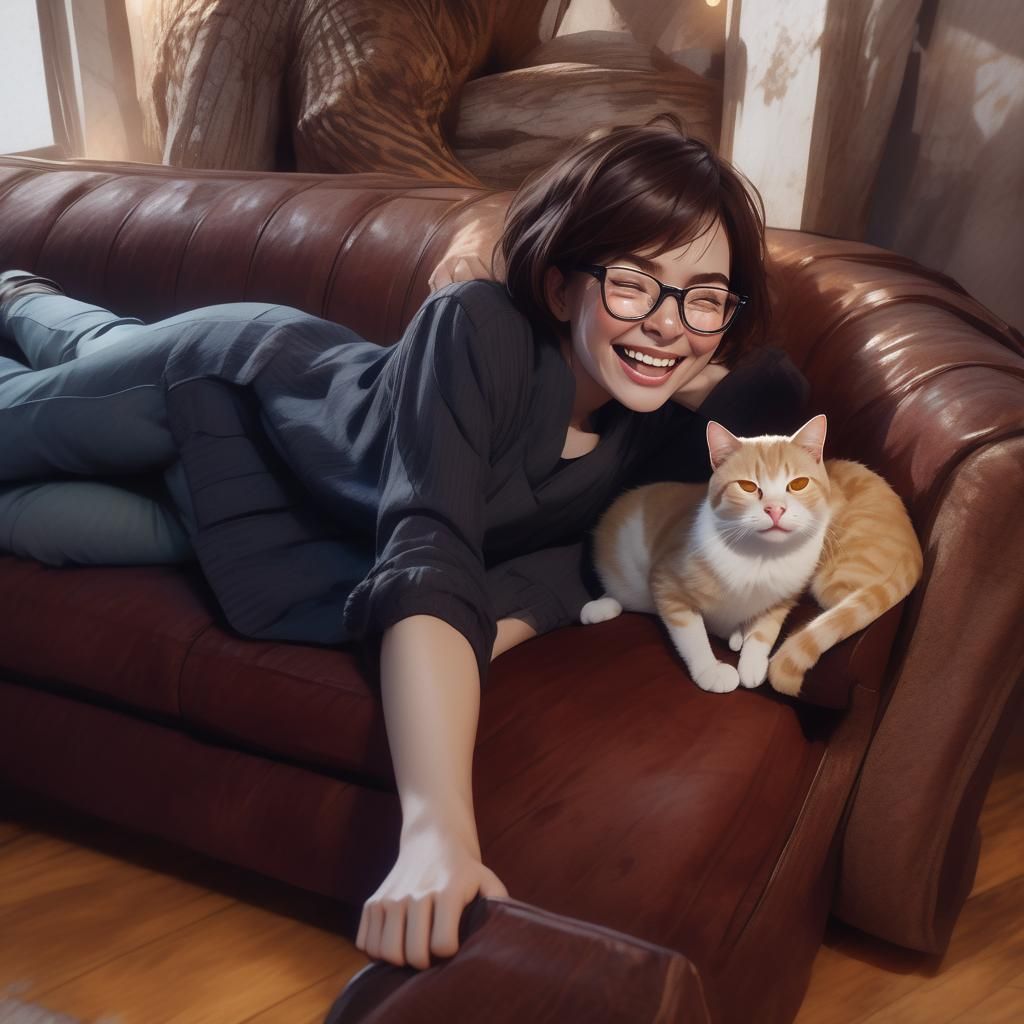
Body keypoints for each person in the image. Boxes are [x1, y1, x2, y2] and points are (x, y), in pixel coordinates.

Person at [0, 114, 807, 971]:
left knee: (43, 509)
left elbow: (762, 410)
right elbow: (430, 555)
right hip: (234, 390)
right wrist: (436, 834)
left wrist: (686, 365)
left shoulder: (657, 446)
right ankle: (19, 295)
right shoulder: (480, 328)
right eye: (637, 284)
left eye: (706, 296)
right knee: (41, 408)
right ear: (565, 285)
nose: (670, 322)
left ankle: (33, 306)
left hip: (279, 520)